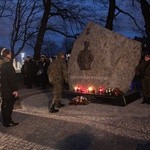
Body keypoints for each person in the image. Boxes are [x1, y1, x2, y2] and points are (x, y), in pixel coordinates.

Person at [0, 48, 19, 127]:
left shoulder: (1, 65)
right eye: (10, 54)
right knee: (9, 106)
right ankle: (7, 122)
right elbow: (12, 79)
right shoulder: (8, 65)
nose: (11, 55)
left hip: (3, 89)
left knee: (4, 105)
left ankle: (5, 120)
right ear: (7, 55)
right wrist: (15, 90)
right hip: (9, 90)